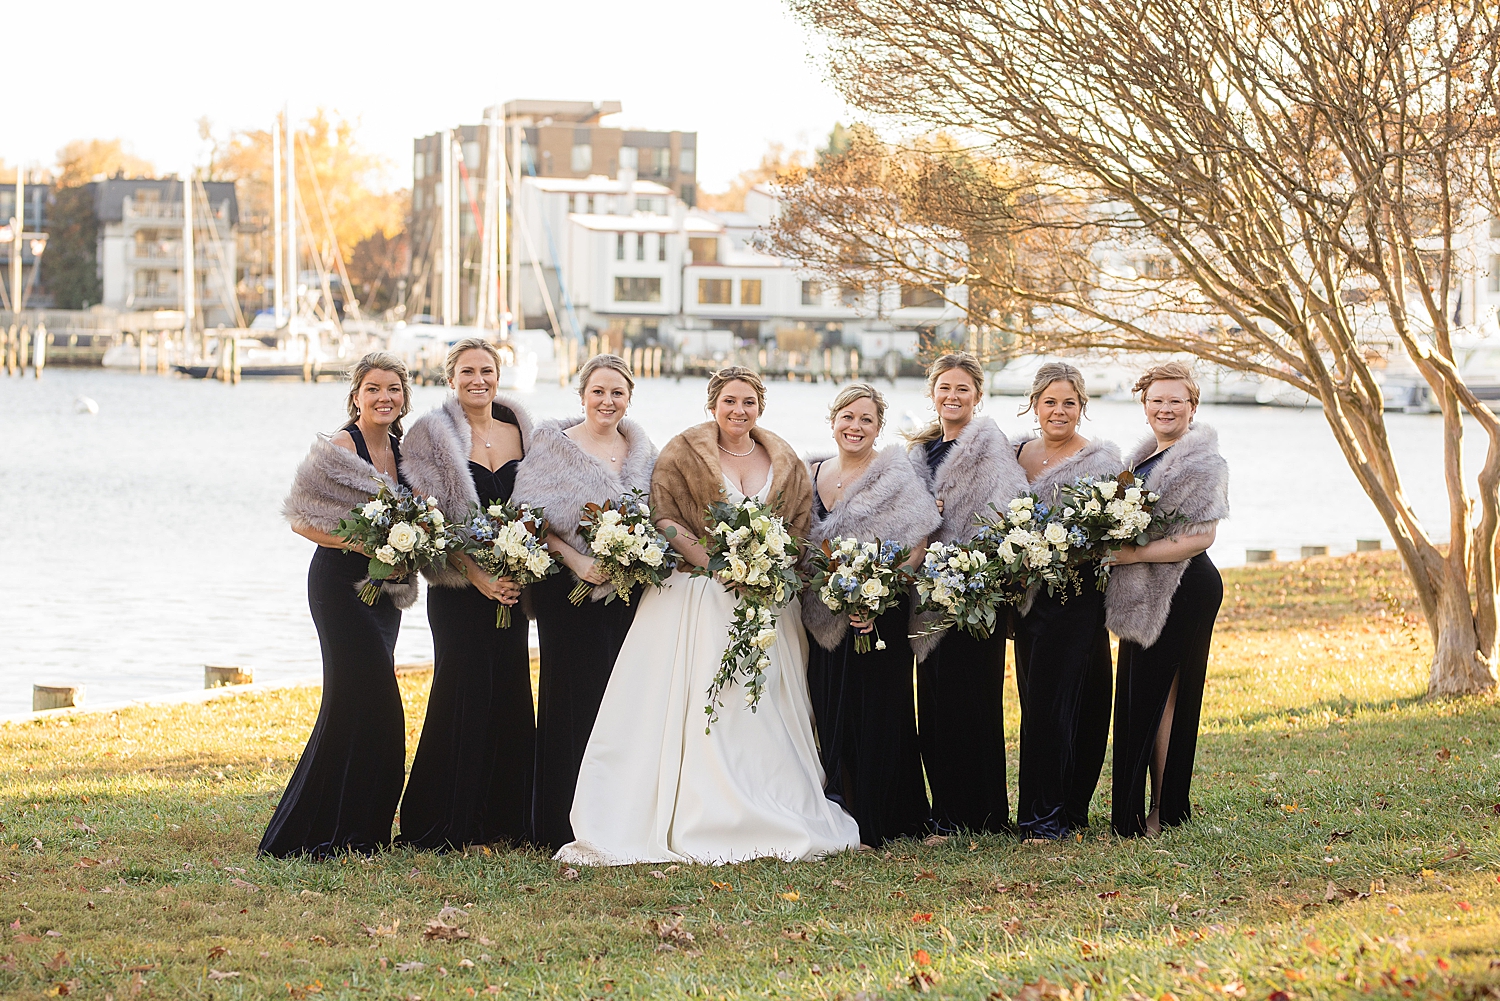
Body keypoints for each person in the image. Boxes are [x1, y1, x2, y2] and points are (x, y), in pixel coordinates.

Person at [556, 367, 860, 865]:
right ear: (712, 404)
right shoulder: (682, 451)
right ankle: (692, 810)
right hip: (697, 594)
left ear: (760, 407)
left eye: (748, 403)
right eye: (729, 401)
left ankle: (773, 802)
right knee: (694, 704)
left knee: (763, 707)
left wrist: (765, 565)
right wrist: (719, 564)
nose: (738, 411)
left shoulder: (784, 458)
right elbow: (665, 518)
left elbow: (800, 528)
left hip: (764, 601)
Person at [262, 353, 417, 857]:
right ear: (356, 396)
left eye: (393, 389)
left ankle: (363, 831)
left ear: (403, 398)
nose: (384, 397)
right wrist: (365, 547)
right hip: (339, 587)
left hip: (385, 592)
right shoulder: (337, 448)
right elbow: (299, 520)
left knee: (355, 708)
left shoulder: (402, 451)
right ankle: (319, 830)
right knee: (373, 702)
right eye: (373, 389)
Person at [512, 354, 659, 850]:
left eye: (617, 392)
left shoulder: (643, 454)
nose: (607, 401)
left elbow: (656, 520)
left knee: (616, 703)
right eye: (598, 391)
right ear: (582, 396)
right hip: (566, 593)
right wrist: (577, 562)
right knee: (567, 699)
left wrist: (634, 560)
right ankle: (558, 821)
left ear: (629, 398)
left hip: (623, 595)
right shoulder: (554, 447)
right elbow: (529, 517)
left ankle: (611, 817)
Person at [395, 337, 536, 850]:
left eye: (488, 370)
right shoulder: (430, 436)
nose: (479, 380)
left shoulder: (523, 430)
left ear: (500, 376)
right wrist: (477, 576)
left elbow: (537, 506)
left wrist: (521, 565)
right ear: (450, 378)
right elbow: (428, 522)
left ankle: (508, 823)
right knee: (464, 694)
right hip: (459, 590)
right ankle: (449, 823)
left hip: (513, 590)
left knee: (511, 694)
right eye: (468, 371)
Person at [805, 383, 940, 846]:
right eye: (848, 416)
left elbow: (919, 543)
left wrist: (877, 593)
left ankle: (885, 818)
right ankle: (838, 811)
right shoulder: (810, 472)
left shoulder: (896, 476)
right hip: (822, 614)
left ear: (879, 427)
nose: (855, 426)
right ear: (833, 420)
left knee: (880, 712)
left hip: (878, 615)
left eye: (866, 419)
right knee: (829, 708)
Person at [904, 353, 1028, 835]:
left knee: (970, 704)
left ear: (977, 395)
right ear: (932, 394)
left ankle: (978, 814)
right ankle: (943, 811)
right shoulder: (921, 451)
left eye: (962, 389)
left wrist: (972, 568)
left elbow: (1008, 513)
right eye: (944, 389)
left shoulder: (990, 447)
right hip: (927, 596)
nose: (952, 397)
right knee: (933, 703)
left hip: (976, 595)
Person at [1105, 362, 1228, 836]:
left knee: (1168, 698)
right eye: (1157, 400)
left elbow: (1202, 538)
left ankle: (1165, 810)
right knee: (1143, 699)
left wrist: (1129, 556)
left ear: (1192, 407)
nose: (1166, 408)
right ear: (1144, 405)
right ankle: (1140, 812)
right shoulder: (1139, 464)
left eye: (1176, 400)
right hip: (1145, 596)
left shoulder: (1203, 462)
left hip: (1185, 589)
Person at [1012, 362, 1121, 841]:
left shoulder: (1101, 461)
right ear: (1034, 405)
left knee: (1065, 705)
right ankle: (1046, 807)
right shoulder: (1015, 454)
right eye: (1050, 402)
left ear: (1082, 408)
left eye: (1069, 403)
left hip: (1077, 599)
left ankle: (1050, 815)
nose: (1059, 411)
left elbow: (1114, 530)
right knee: (1035, 704)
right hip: (1028, 600)